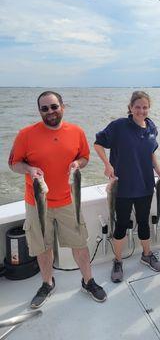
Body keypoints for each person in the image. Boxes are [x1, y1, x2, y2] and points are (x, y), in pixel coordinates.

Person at [8, 91, 107, 308]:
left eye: (54, 106)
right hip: (37, 203)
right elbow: (13, 164)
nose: (50, 112)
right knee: (43, 246)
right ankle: (47, 283)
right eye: (44, 108)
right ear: (39, 111)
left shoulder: (77, 132)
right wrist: (29, 169)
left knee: (79, 243)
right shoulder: (26, 134)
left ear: (63, 106)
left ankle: (88, 281)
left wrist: (77, 164)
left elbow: (85, 157)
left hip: (68, 201)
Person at [94, 91, 160, 283]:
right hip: (122, 187)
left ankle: (147, 254)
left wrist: (157, 167)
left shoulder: (151, 127)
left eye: (144, 107)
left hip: (145, 185)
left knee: (144, 222)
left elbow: (151, 152)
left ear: (148, 108)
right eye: (137, 107)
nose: (141, 111)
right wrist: (107, 165)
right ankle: (117, 261)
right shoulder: (119, 126)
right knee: (121, 225)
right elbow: (98, 144)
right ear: (130, 108)